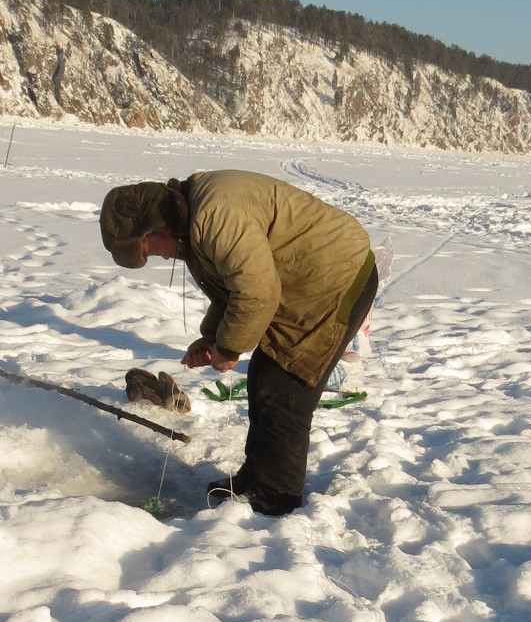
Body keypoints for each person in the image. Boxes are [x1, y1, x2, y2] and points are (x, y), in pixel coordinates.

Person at [99, 171, 377, 515]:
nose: (163, 258)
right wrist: (213, 336)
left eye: (151, 250)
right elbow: (235, 285)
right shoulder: (195, 218)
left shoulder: (213, 218)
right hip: (310, 279)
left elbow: (258, 293)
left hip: (338, 278)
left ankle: (278, 499)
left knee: (286, 384)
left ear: (155, 228)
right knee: (263, 372)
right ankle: (258, 477)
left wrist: (229, 349)